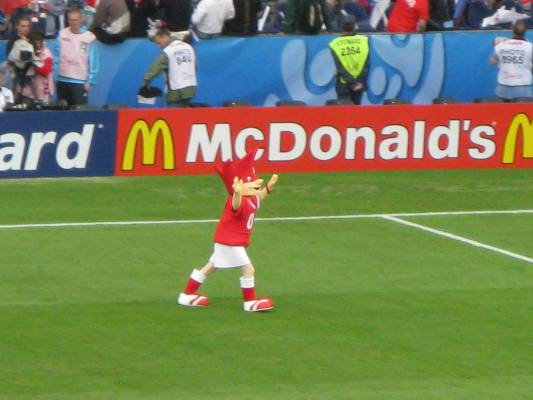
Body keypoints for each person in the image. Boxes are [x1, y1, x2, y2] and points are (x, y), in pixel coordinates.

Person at [177, 150, 279, 312]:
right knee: (248, 269)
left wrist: (268, 188)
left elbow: (258, 199)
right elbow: (236, 204)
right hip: (230, 242)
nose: (256, 185)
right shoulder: (237, 200)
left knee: (211, 266)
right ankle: (250, 301)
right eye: (251, 183)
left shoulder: (250, 201)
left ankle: (187, 295)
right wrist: (237, 192)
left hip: (228, 241)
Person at [55, 7, 99, 106]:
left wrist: (90, 81)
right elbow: (56, 57)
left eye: (75, 20)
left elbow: (94, 62)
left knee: (80, 112)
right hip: (62, 79)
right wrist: (55, 76)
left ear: (81, 20)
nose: (73, 22)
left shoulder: (89, 37)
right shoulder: (62, 34)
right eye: (70, 19)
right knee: (62, 112)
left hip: (79, 82)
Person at [143, 28, 197, 107]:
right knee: (185, 116)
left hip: (176, 91)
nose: (159, 46)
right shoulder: (189, 47)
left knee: (173, 117)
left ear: (165, 37)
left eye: (159, 43)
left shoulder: (169, 50)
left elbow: (155, 67)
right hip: (190, 88)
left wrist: (146, 81)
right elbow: (195, 67)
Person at [329, 15, 370, 105]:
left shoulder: (334, 44)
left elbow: (340, 68)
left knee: (344, 115)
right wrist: (357, 82)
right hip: (359, 83)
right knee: (356, 115)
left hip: (344, 84)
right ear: (355, 26)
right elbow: (366, 65)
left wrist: (352, 83)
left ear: (341, 27)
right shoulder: (365, 41)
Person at [490, 20, 533, 101]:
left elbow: (492, 61)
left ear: (512, 30)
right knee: (524, 113)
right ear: (525, 31)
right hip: (524, 89)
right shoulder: (530, 46)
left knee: (503, 113)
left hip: (503, 89)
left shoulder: (501, 45)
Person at [8, 16, 44, 103]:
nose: (25, 28)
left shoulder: (33, 38)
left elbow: (38, 55)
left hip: (32, 78)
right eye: (23, 26)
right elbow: (10, 60)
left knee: (33, 103)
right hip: (16, 77)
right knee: (14, 103)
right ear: (17, 26)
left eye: (27, 26)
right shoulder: (13, 41)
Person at [24, 31, 55, 102]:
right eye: (35, 42)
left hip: (43, 92)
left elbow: (45, 71)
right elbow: (21, 68)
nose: (38, 45)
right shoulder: (26, 52)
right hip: (28, 91)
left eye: (39, 42)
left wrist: (33, 62)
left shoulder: (46, 52)